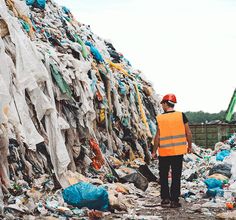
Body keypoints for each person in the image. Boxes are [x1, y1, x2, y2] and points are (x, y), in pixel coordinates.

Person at [152, 93, 192, 208]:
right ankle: (174, 200)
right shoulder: (181, 116)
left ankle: (165, 199)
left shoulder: (160, 118)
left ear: (165, 103)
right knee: (176, 176)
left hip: (164, 152)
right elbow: (188, 132)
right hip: (178, 152)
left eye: (162, 104)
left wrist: (154, 151)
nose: (162, 106)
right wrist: (189, 146)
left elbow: (157, 137)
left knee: (163, 176)